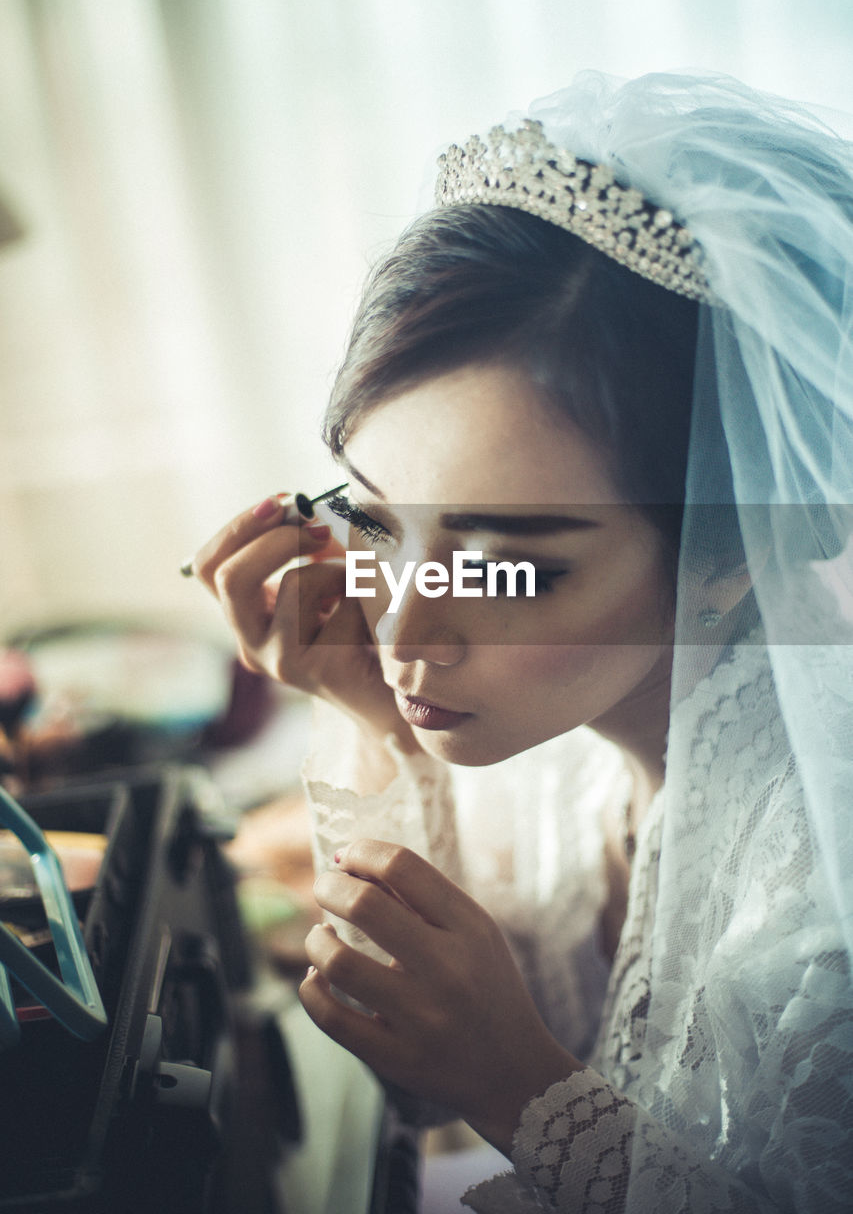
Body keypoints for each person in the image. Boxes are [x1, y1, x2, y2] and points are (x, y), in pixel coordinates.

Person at [190, 71, 853, 1212]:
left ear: (729, 550)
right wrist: (372, 714)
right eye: (376, 519)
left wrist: (519, 1088)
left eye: (513, 568)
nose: (404, 627)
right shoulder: (557, 732)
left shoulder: (820, 913)